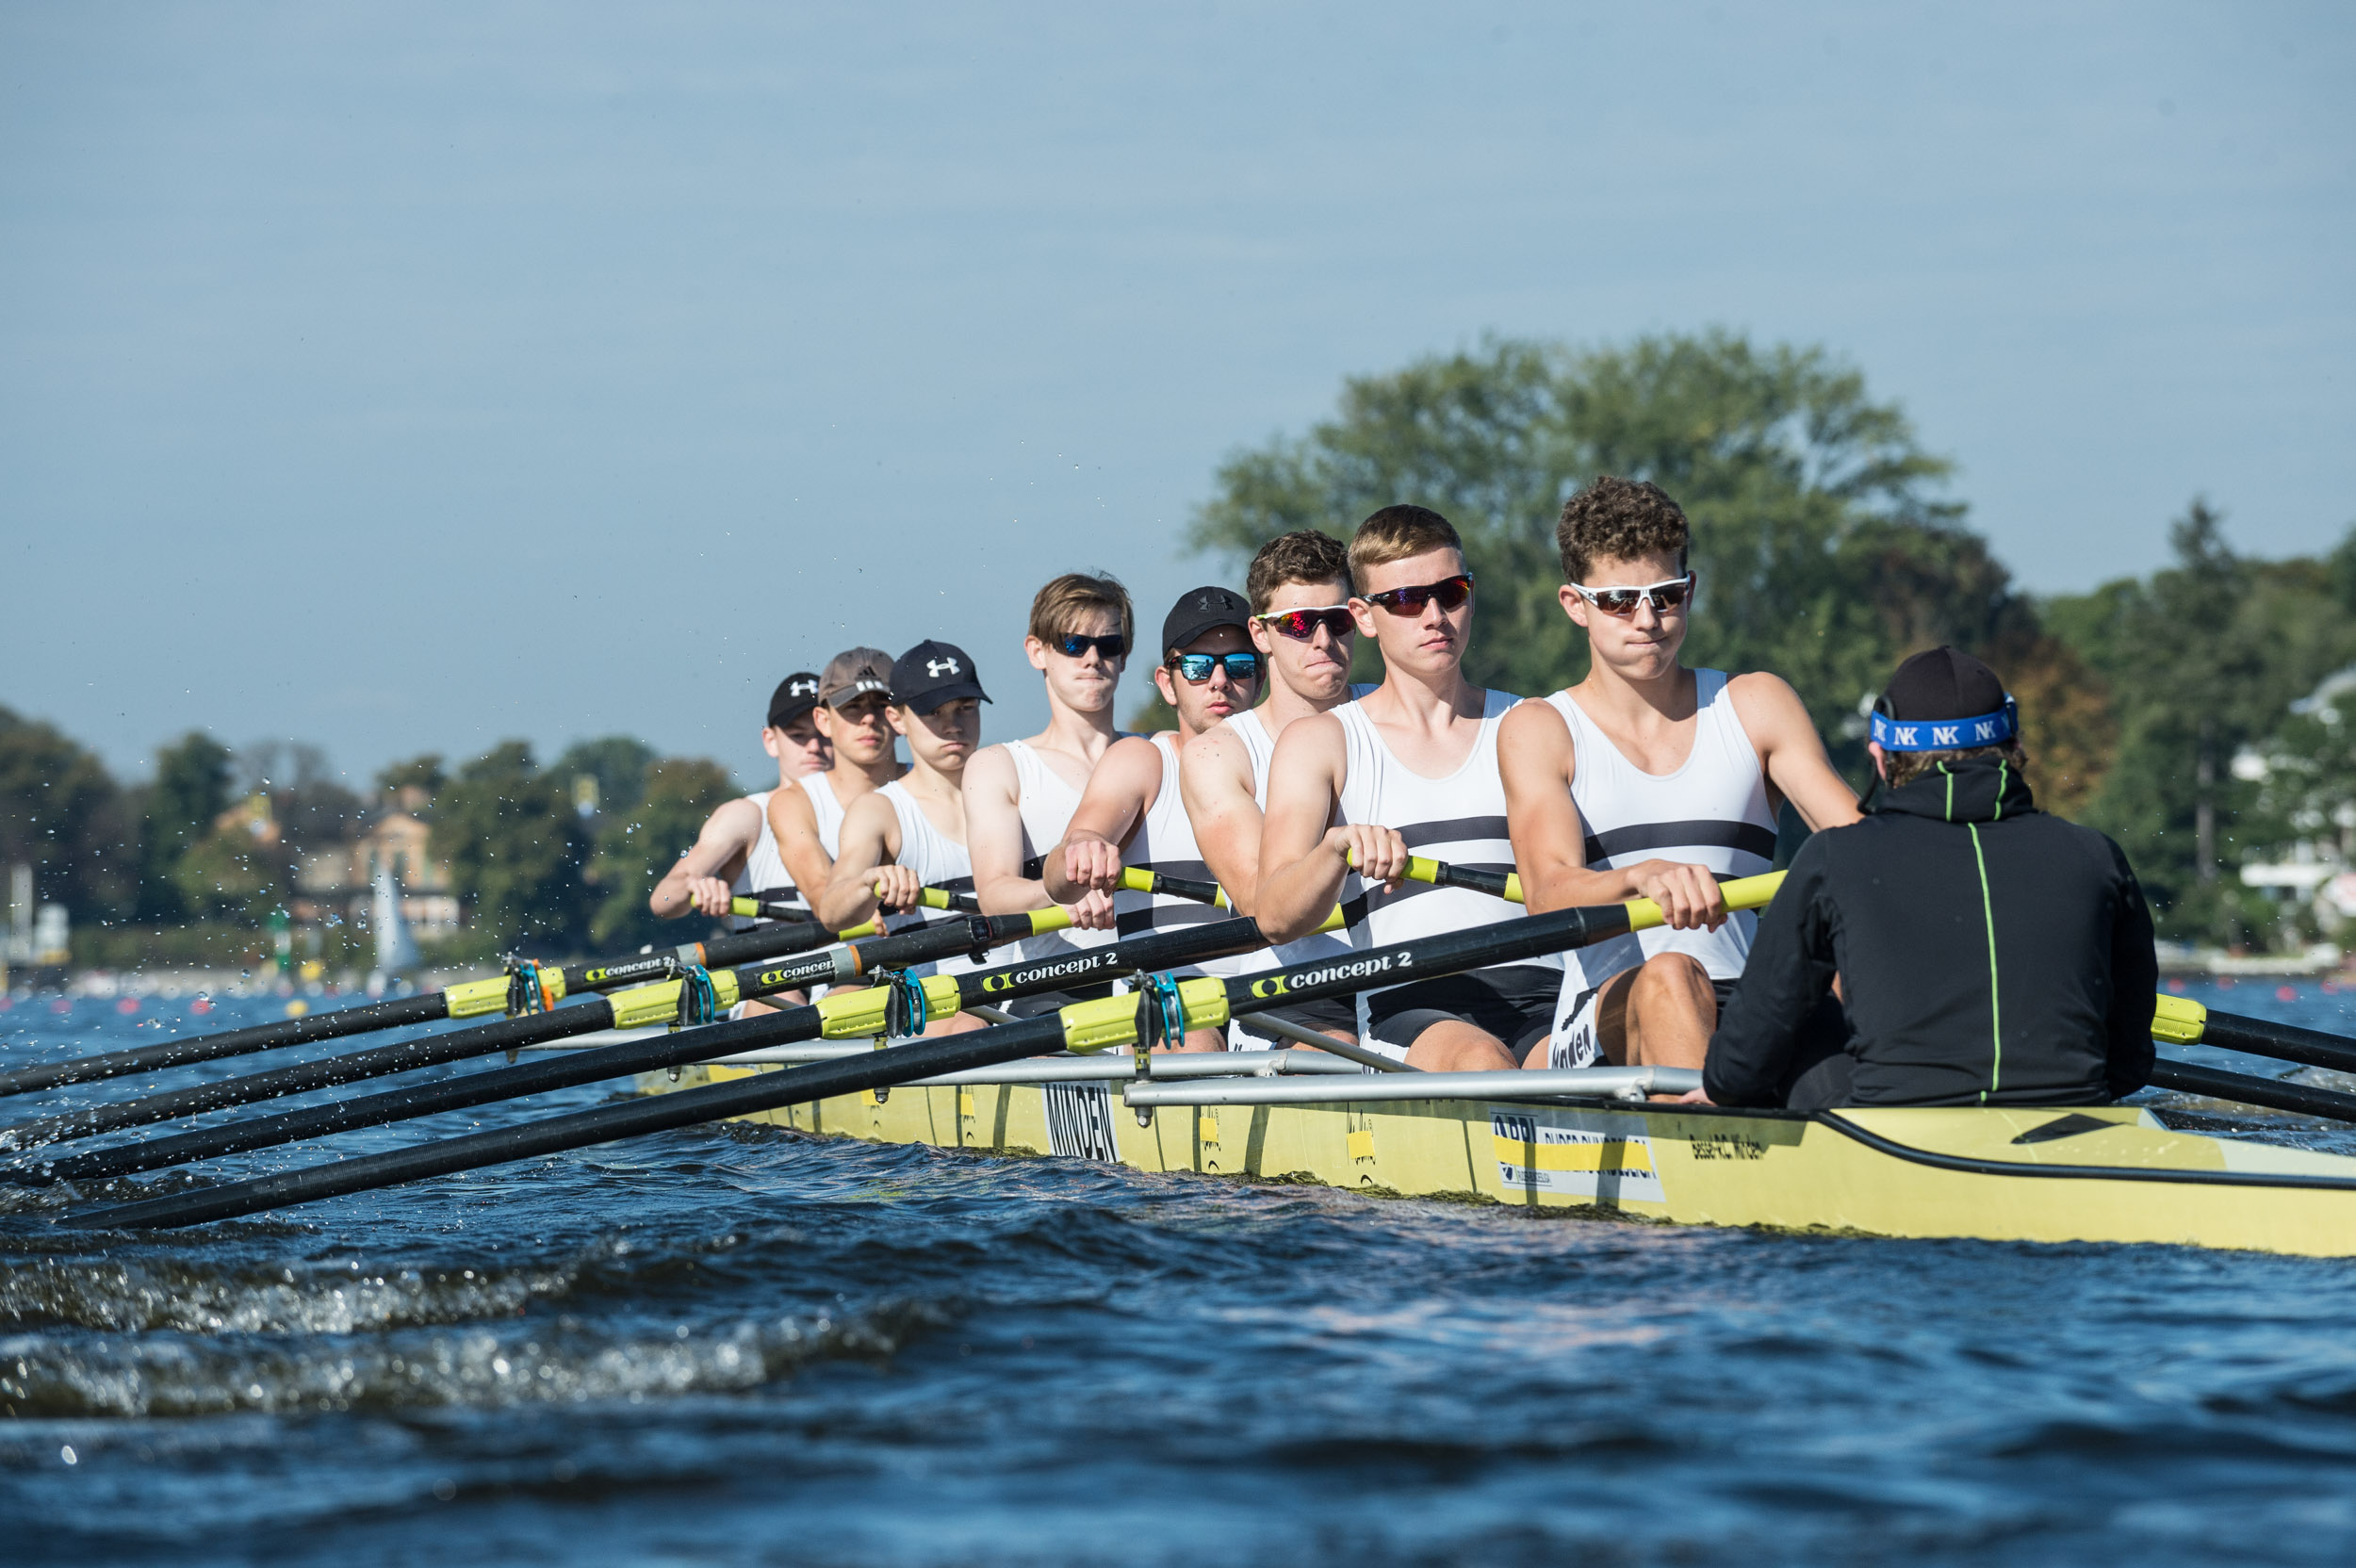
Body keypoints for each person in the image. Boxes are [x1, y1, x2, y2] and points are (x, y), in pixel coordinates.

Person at [1500, 477, 1861, 1075]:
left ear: (1689, 592)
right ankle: (1712, 1152)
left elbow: (1861, 842)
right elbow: (1548, 893)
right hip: (1605, 1011)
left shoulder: (1755, 703)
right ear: (1574, 605)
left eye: (1665, 596)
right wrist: (1643, 877)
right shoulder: (1540, 727)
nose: (1647, 619)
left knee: (1860, 958)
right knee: (1670, 976)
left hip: (1747, 997)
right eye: (1618, 600)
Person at [1701, 645, 2158, 1109]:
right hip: (2072, 1121)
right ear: (2015, 746)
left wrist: (1720, 1086)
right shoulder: (2095, 856)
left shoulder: (1833, 859)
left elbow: (1737, 1071)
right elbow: (2130, 1061)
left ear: (1880, 758)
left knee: (1805, 1009)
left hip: (1894, 1139)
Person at [1255, 505, 1542, 1070]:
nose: (1435, 616)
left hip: (1546, 998)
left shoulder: (1533, 723)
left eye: (1452, 592)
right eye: (1409, 601)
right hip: (1411, 1003)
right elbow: (1273, 915)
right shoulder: (1321, 743)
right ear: (1363, 616)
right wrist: (1335, 849)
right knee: (1484, 1062)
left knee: (1571, 1065)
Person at [1045, 585, 1263, 1051]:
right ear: (1168, 682)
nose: (1220, 681)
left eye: (1239, 665)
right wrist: (1082, 847)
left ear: (1261, 678)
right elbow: (1059, 874)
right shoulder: (1143, 760)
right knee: (1199, 1043)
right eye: (1199, 667)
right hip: (1166, 1002)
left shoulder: (1296, 761)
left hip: (1276, 992)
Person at [1180, 530, 1369, 1047]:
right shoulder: (1217, 755)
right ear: (1260, 635)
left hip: (1418, 975)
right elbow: (1267, 907)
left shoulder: (1397, 711)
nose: (1323, 640)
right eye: (1299, 624)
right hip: (1295, 996)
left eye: (1337, 620)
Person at [964, 573, 1130, 1017]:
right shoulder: (999, 766)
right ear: (1038, 651)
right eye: (1074, 644)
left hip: (1155, 980)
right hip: (1055, 989)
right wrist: (1059, 891)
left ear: (1124, 655)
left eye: (1109, 645)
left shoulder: (1158, 754)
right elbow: (995, 894)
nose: (1093, 658)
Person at [818, 641, 996, 1037]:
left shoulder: (1013, 785)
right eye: (934, 712)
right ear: (897, 720)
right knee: (967, 1025)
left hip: (1020, 987)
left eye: (965, 708)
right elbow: (832, 910)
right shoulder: (879, 811)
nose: (953, 725)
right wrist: (868, 881)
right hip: (936, 1008)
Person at [649, 671, 831, 929]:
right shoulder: (746, 816)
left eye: (824, 733)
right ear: (771, 741)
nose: (814, 746)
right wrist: (694, 886)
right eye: (799, 735)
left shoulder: (872, 809)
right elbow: (662, 900)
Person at [765, 647, 908, 899]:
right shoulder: (794, 804)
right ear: (823, 721)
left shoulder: (944, 786)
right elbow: (824, 896)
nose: (869, 719)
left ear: (899, 717)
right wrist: (854, 901)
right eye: (853, 706)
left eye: (880, 705)